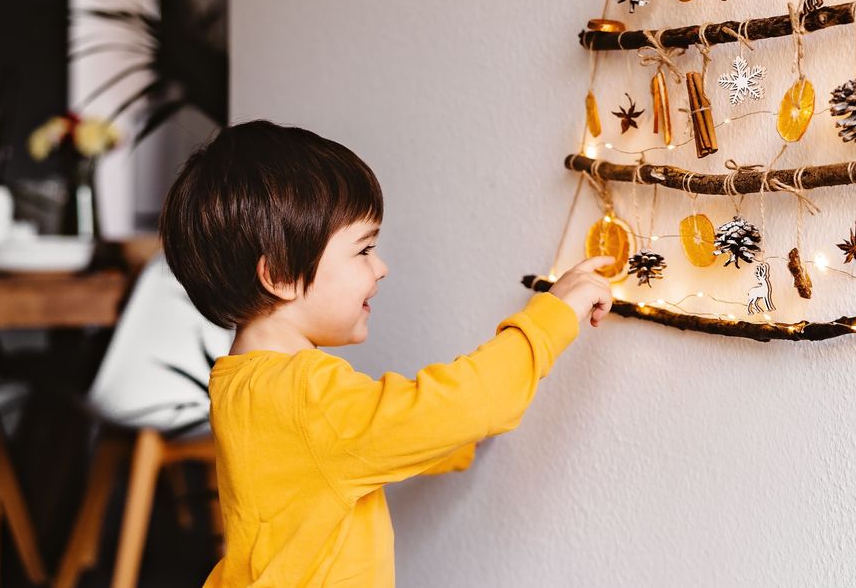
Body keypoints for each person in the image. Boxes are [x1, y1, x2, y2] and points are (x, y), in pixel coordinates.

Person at [159, 120, 613, 586]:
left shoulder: (242, 383)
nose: (381, 267)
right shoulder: (306, 396)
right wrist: (554, 314)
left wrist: (453, 445)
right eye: (364, 249)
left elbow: (360, 443)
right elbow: (462, 407)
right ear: (278, 274)